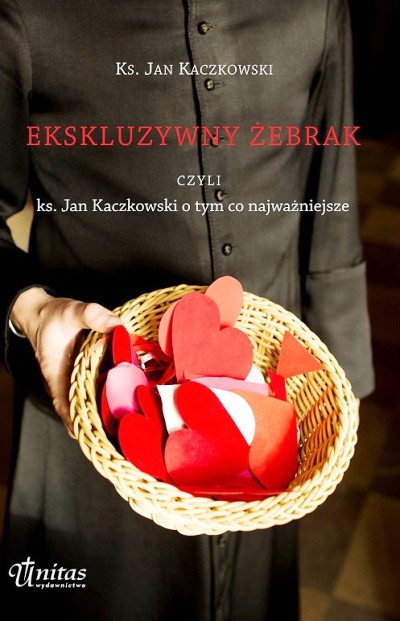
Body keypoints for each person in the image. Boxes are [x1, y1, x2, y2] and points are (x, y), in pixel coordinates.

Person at [0, 1, 374, 619]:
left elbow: (329, 186)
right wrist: (32, 311)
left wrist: (338, 392)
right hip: (96, 414)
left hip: (267, 411)